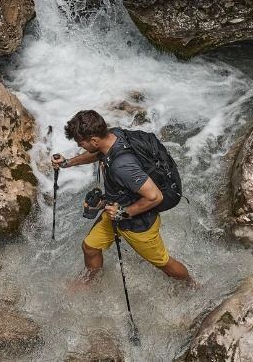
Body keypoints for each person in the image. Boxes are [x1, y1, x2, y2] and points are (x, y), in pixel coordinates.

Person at [52, 110, 191, 282]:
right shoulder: (112, 135)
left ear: (94, 140)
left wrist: (123, 213)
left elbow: (155, 197)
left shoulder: (122, 166)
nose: (81, 146)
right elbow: (98, 153)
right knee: (90, 247)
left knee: (164, 263)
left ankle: (191, 284)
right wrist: (68, 163)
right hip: (116, 210)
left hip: (138, 223)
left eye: (81, 143)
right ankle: (91, 280)